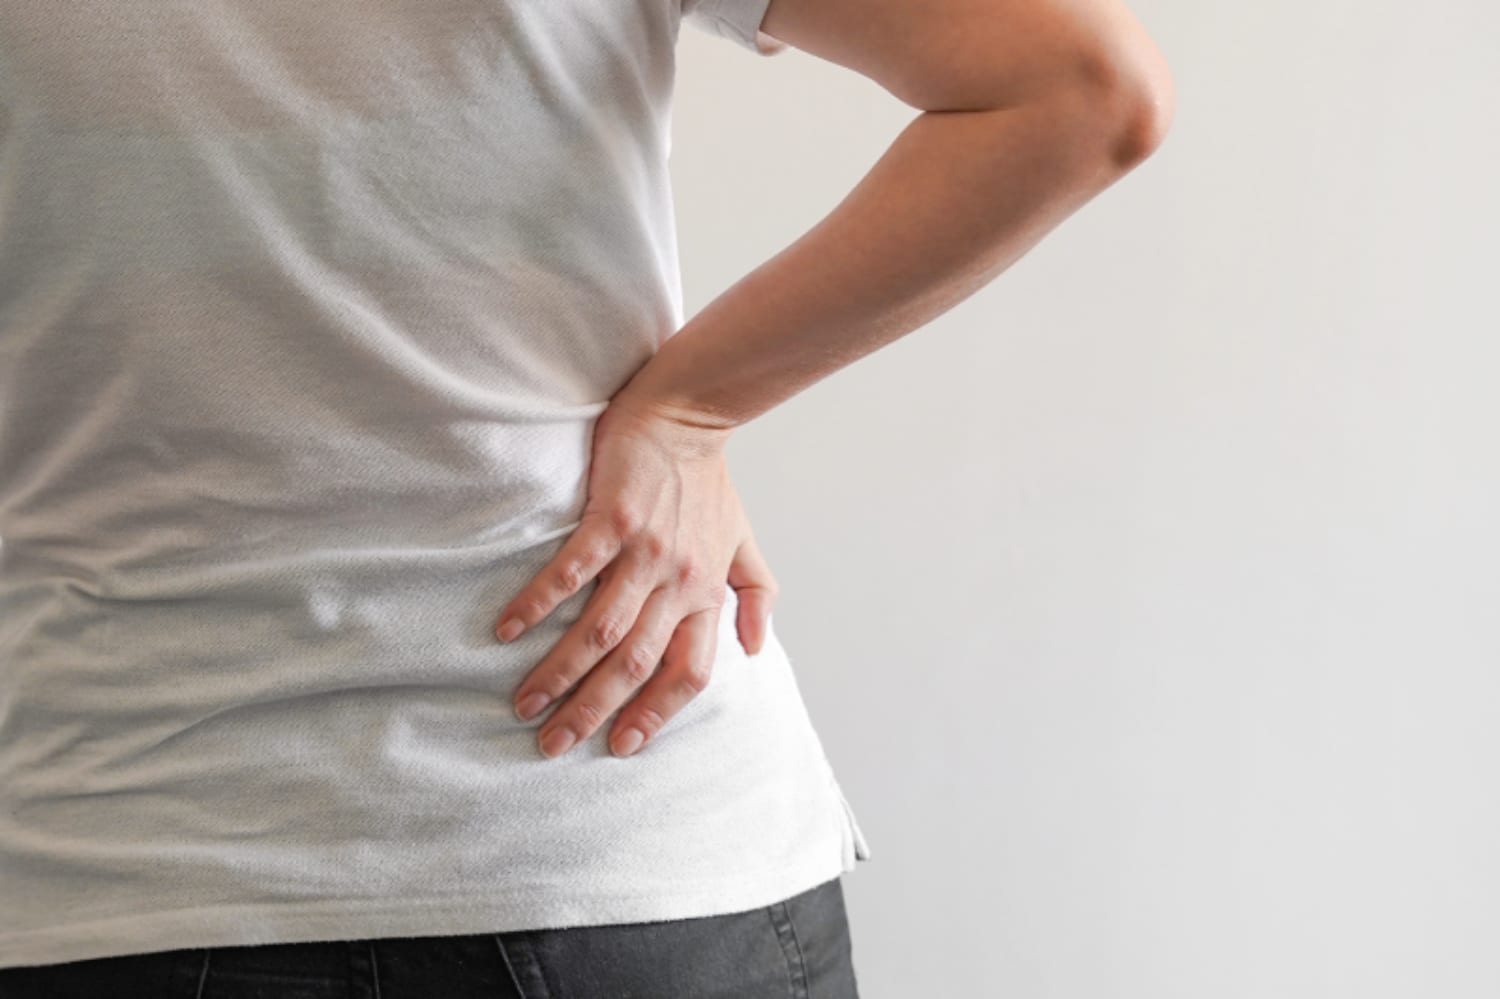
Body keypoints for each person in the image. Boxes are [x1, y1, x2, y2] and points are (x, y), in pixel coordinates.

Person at [0, 0, 1173, 994]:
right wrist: (691, 410)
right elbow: (1080, 87)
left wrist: (693, 414)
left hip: (123, 839)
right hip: (622, 832)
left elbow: (1081, 90)